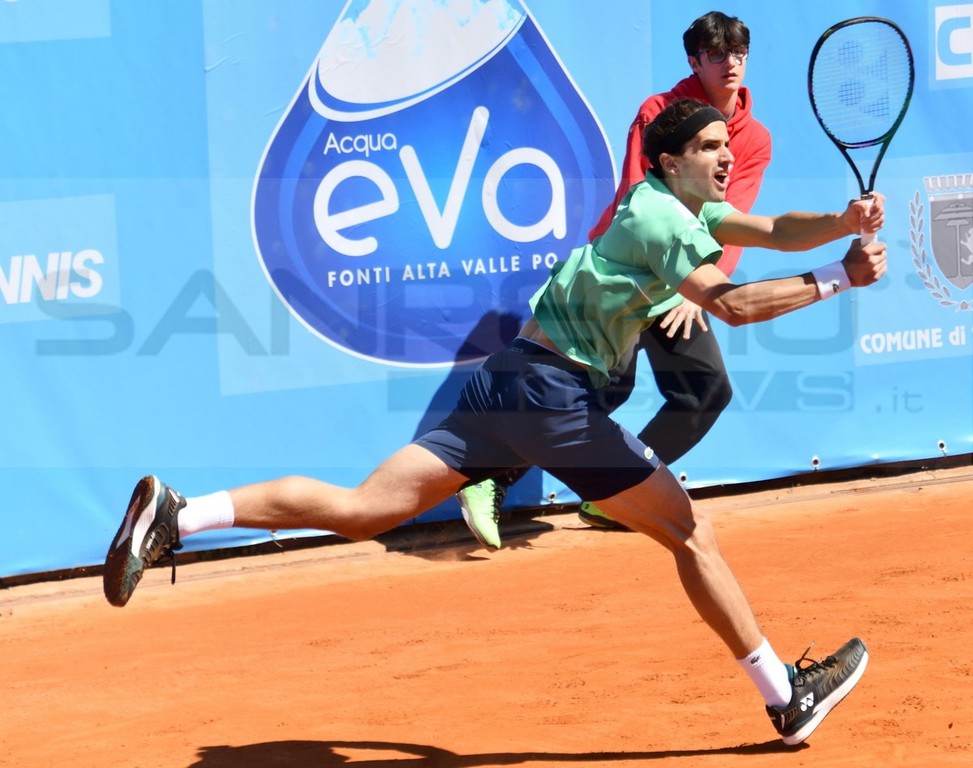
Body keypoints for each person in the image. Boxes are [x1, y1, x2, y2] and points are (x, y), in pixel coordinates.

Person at [104, 99, 885, 746]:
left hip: (503, 383)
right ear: (667, 161)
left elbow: (772, 228)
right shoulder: (660, 221)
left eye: (725, 144)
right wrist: (838, 276)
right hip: (552, 398)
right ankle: (784, 697)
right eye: (708, 147)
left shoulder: (680, 206)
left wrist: (840, 221)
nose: (725, 156)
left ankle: (180, 513)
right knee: (689, 533)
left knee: (361, 509)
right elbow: (733, 306)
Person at [456, 10, 771, 543]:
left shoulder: (754, 138)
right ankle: (484, 474)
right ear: (694, 61)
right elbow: (637, 196)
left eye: (738, 53)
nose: (730, 64)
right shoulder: (660, 112)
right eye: (717, 54)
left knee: (704, 391)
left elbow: (734, 218)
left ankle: (613, 498)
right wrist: (688, 278)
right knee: (603, 385)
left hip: (683, 282)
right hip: (623, 273)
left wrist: (698, 289)